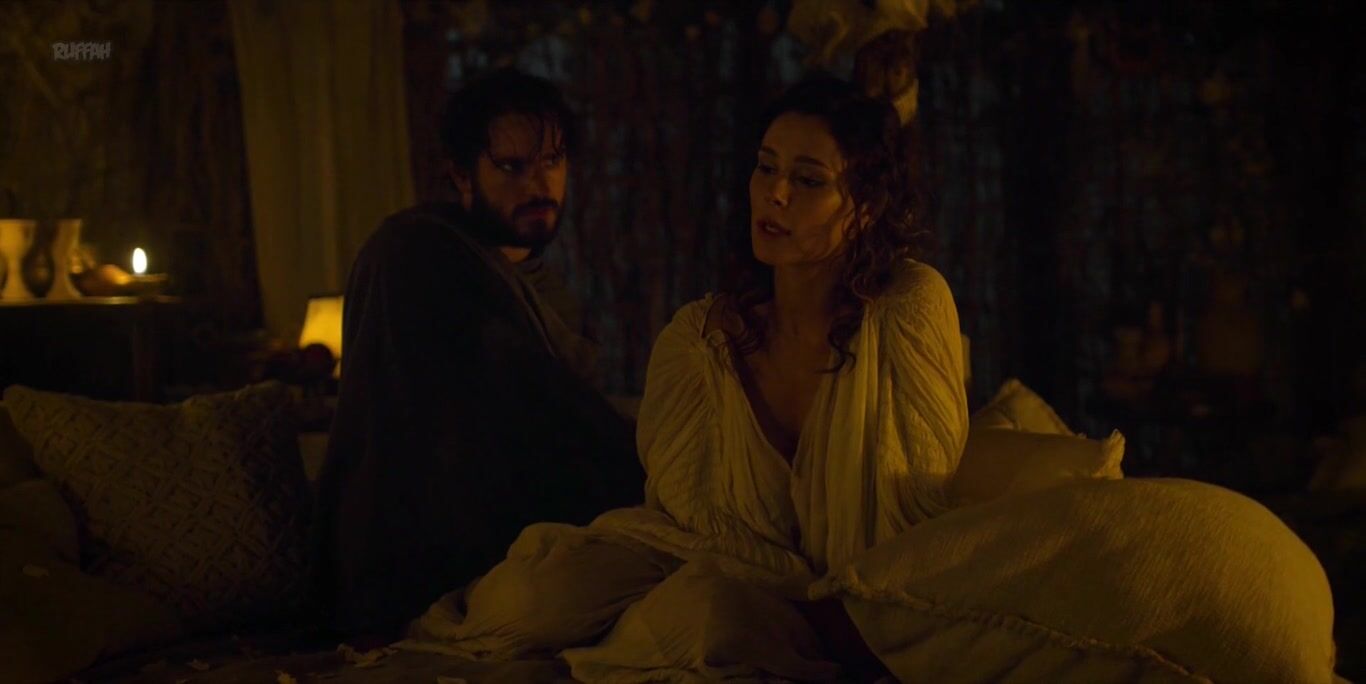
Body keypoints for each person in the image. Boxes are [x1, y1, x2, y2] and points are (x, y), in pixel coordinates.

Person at [403, 76, 968, 681]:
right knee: (527, 600)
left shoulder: (907, 307)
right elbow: (681, 518)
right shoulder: (700, 340)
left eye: (807, 180)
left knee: (705, 619)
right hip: (701, 558)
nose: (774, 194)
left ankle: (657, 632)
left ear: (865, 206)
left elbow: (913, 506)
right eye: (765, 168)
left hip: (824, 595)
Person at [314, 69, 643, 637]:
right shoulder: (420, 251)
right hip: (431, 567)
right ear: (463, 177)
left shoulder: (547, 289)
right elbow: (528, 404)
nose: (538, 183)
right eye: (511, 166)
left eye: (552, 160)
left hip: (528, 543)